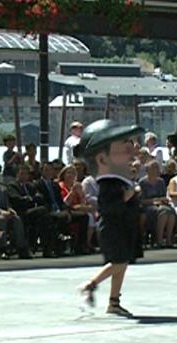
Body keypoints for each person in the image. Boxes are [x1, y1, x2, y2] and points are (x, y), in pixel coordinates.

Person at [74, 120, 145, 316]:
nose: (131, 153)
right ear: (102, 160)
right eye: (124, 149)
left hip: (124, 226)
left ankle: (114, 302)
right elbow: (109, 206)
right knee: (119, 263)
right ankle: (91, 284)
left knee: (121, 265)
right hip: (113, 227)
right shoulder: (108, 182)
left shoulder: (120, 179)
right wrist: (130, 193)